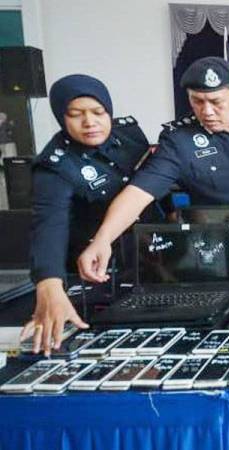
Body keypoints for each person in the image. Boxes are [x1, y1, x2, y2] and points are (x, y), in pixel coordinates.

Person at [77, 57, 229, 284]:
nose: (207, 111)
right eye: (198, 102)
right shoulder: (180, 142)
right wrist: (103, 239)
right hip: (223, 253)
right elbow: (139, 192)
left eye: (216, 102)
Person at [21, 74, 152, 356]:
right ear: (61, 117)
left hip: (152, 258)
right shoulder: (55, 165)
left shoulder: (129, 134)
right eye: (76, 115)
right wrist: (49, 282)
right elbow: (49, 224)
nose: (90, 122)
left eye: (98, 112)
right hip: (99, 271)